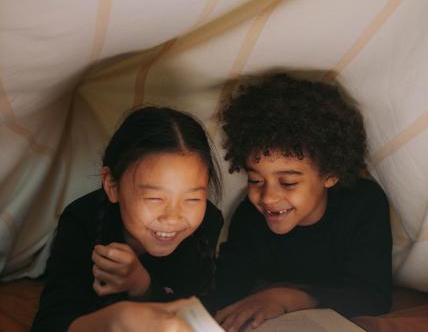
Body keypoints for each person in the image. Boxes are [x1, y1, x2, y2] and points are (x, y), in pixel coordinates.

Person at [212, 72, 392, 331]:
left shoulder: (363, 205)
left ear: (330, 174)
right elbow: (227, 286)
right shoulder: (250, 216)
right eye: (255, 180)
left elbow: (372, 295)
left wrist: (289, 298)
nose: (268, 198)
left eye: (288, 183)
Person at [31, 106, 223, 332]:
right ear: (112, 185)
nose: (173, 217)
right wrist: (116, 320)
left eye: (192, 199)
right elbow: (50, 323)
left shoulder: (206, 222)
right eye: (154, 198)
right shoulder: (82, 221)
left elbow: (201, 308)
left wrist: (142, 286)